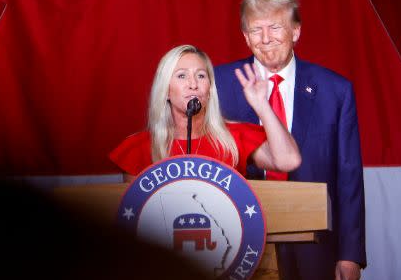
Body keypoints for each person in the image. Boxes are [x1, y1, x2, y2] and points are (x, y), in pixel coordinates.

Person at [214, 0, 366, 280]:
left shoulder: (334, 90)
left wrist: (350, 254)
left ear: (296, 31)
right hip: (236, 244)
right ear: (245, 36)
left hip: (312, 247)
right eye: (256, 29)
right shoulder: (220, 83)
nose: (266, 38)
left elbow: (348, 177)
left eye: (276, 27)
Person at [110, 44, 301, 181]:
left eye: (201, 76)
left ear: (209, 89)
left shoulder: (235, 138)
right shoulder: (139, 148)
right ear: (166, 90)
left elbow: (288, 161)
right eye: (182, 76)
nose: (193, 85)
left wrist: (262, 106)